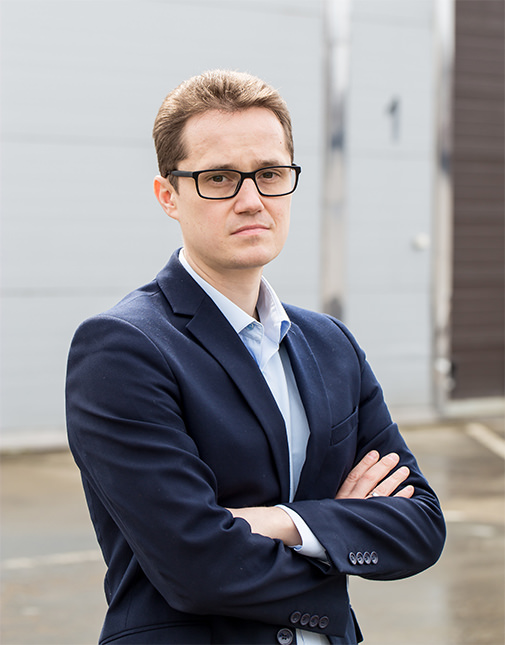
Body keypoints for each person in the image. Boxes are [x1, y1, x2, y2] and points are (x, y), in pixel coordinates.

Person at [66, 69, 445, 645]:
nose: (252, 201)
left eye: (270, 174)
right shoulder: (123, 348)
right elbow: (197, 567)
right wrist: (338, 536)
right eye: (218, 178)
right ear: (168, 195)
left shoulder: (330, 343)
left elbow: (421, 523)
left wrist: (280, 522)